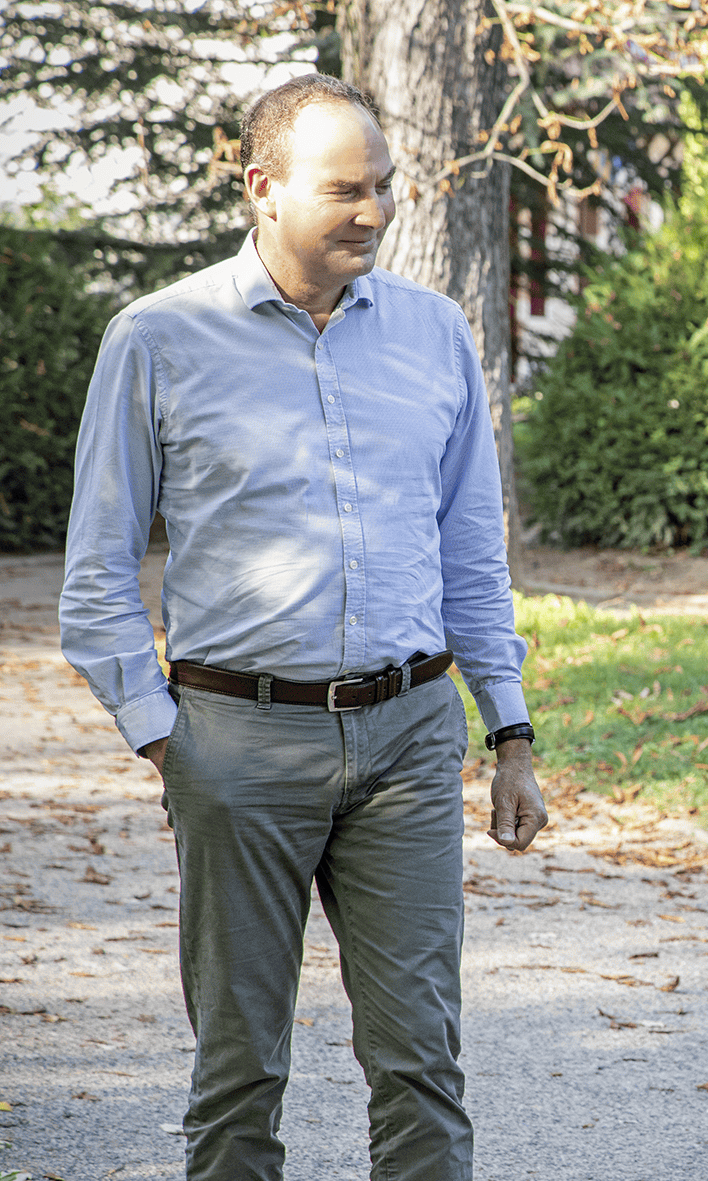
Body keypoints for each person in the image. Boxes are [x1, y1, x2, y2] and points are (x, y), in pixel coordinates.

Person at [59, 74, 548, 1180]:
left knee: (423, 1062)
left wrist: (508, 732)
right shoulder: (156, 338)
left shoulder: (433, 335)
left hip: (411, 742)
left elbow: (470, 556)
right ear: (262, 190)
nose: (375, 211)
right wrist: (169, 740)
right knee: (239, 1072)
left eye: (383, 186)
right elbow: (94, 577)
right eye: (345, 190)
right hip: (237, 743)